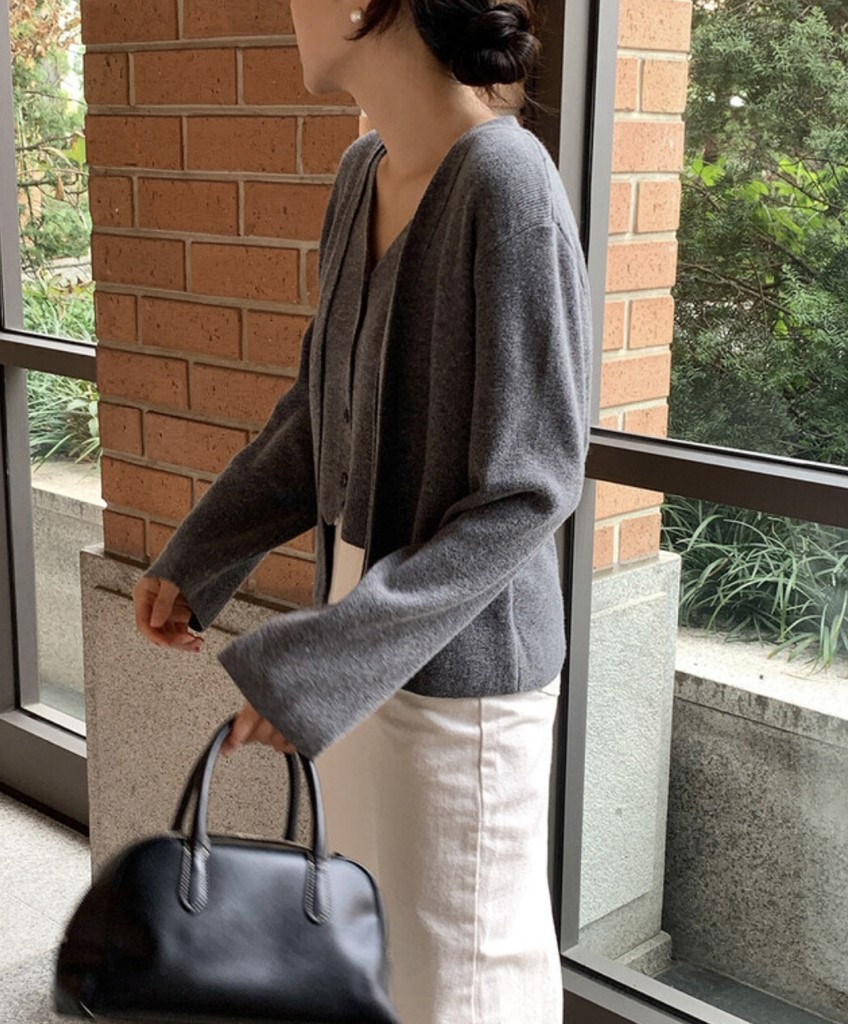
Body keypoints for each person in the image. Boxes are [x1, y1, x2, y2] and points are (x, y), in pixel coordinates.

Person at [132, 1, 593, 1021]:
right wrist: (198, 557)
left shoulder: (508, 185)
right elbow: (318, 414)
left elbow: (529, 490)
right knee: (377, 970)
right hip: (360, 630)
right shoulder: (362, 174)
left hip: (461, 674)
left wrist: (325, 661)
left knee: (459, 982)